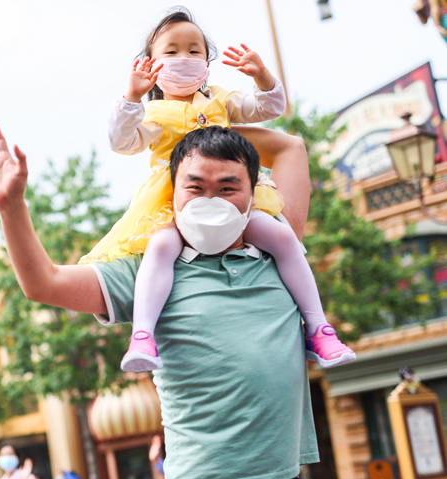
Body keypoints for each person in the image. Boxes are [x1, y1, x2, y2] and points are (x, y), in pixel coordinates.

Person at [0, 122, 318, 479]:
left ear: (254, 192)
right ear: (172, 192)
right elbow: (43, 283)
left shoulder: (280, 252)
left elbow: (291, 146)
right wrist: (11, 208)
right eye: (195, 186)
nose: (211, 198)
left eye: (228, 187)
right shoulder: (153, 271)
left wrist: (205, 116)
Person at [77, 8, 353, 373]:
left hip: (230, 200)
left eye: (194, 51)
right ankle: (143, 336)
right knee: (161, 247)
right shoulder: (155, 115)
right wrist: (131, 95)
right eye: (171, 51)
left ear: (207, 63)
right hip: (176, 204)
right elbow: (122, 141)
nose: (184, 58)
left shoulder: (220, 100)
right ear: (151, 65)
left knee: (282, 237)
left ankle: (318, 328)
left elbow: (268, 107)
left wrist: (261, 75)